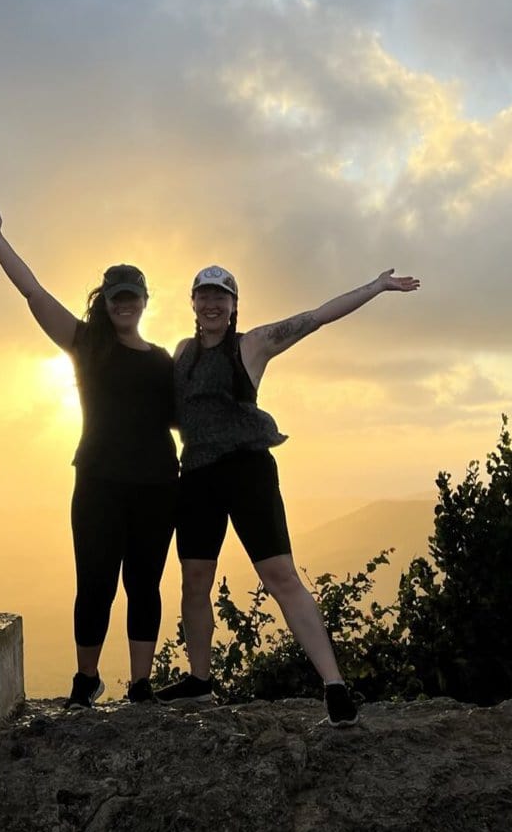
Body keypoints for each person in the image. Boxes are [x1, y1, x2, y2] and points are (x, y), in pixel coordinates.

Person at [158, 263, 421, 725]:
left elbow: (317, 316)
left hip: (247, 470)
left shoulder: (253, 344)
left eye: (222, 296)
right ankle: (200, 682)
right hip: (197, 474)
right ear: (193, 303)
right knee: (194, 580)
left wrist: (376, 287)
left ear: (234, 305)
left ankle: (334, 686)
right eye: (204, 296)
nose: (212, 304)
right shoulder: (183, 353)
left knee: (280, 575)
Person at [0, 198, 178, 708]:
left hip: (157, 485)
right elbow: (33, 292)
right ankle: (87, 680)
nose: (124, 304)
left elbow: (186, 418)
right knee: (95, 585)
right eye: (116, 297)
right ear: (105, 301)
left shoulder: (164, 360)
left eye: (131, 297)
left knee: (145, 585)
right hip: (99, 483)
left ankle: (141, 684)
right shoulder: (86, 344)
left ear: (145, 301)